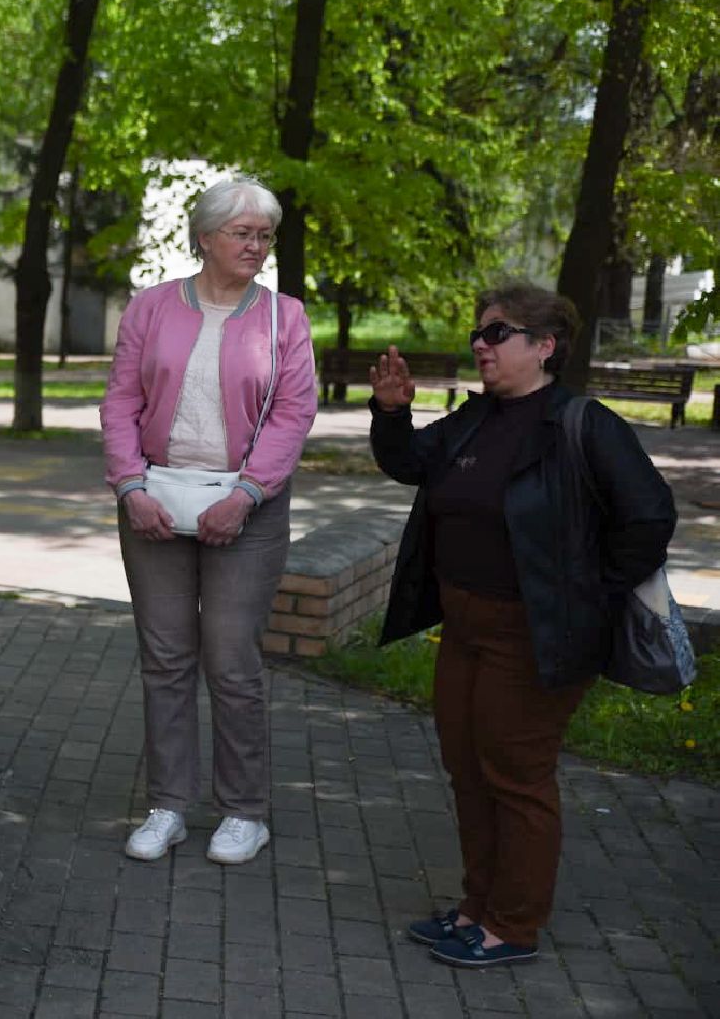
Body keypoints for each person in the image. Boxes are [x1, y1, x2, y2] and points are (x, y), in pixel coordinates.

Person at [368, 283, 675, 967]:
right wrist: (391, 414)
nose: (481, 344)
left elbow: (650, 518)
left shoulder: (583, 425)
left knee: (516, 775)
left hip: (535, 636)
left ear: (544, 346)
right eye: (479, 334)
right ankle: (476, 908)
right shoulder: (474, 420)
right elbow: (409, 463)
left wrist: (586, 594)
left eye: (497, 333)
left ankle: (513, 925)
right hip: (467, 628)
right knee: (467, 770)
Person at [100, 176, 317, 866]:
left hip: (246, 510)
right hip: (154, 500)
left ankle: (244, 812)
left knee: (230, 660)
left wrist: (247, 495)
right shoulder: (152, 308)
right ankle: (167, 806)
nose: (256, 246)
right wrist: (131, 487)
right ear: (206, 238)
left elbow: (293, 414)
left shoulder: (285, 317)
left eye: (264, 235)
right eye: (242, 233)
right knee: (164, 660)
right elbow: (120, 402)